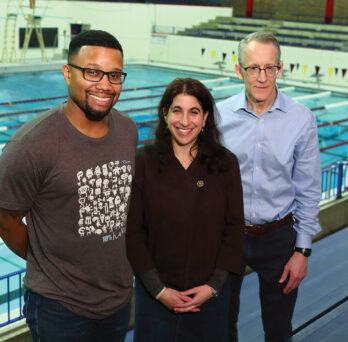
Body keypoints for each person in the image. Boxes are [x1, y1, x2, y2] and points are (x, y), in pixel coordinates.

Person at [0, 30, 138, 342]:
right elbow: (6, 221)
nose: (105, 84)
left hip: (117, 299)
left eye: (114, 75)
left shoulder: (128, 129)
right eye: (92, 72)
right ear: (67, 73)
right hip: (58, 306)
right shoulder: (31, 144)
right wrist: (49, 265)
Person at [217, 32, 321, 342]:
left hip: (278, 238)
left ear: (280, 68)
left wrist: (303, 250)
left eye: (269, 68)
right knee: (221, 325)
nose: (262, 77)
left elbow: (308, 187)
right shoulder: (219, 116)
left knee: (278, 329)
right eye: (253, 68)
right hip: (227, 236)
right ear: (239, 70)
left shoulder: (302, 119)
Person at [126, 78, 244, 342]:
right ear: (165, 114)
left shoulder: (225, 164)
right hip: (155, 298)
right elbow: (132, 233)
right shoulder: (143, 162)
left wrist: (213, 286)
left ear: (205, 119)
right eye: (177, 110)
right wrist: (158, 290)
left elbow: (234, 229)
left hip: (209, 298)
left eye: (194, 112)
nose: (185, 121)